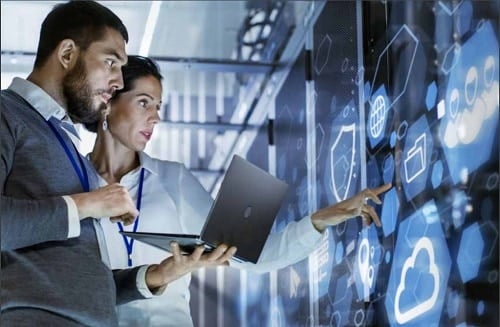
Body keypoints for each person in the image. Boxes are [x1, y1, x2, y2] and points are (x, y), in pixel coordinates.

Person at [85, 55, 392, 326]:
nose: (156, 116)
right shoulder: (74, 187)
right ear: (108, 102)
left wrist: (321, 219)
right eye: (143, 102)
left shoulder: (171, 178)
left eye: (158, 106)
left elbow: (256, 256)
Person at [0, 2, 233, 326]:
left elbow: (79, 283)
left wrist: (157, 274)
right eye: (110, 62)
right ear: (67, 54)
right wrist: (87, 204)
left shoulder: (63, 140)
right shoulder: (6, 113)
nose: (117, 80)